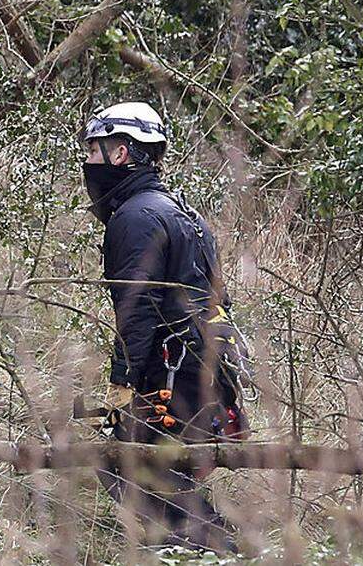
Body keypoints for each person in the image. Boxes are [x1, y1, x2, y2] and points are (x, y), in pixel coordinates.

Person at [80, 102, 251, 553]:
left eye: (93, 151)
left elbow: (136, 313)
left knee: (130, 468)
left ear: (120, 154)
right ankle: (212, 548)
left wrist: (122, 387)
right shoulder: (182, 213)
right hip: (206, 372)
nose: (89, 162)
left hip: (174, 375)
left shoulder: (135, 218)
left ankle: (217, 553)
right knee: (159, 477)